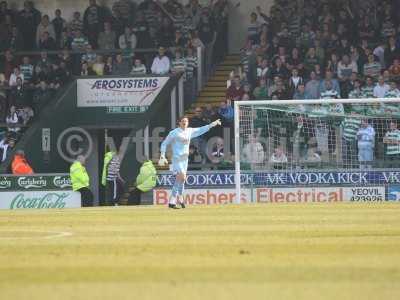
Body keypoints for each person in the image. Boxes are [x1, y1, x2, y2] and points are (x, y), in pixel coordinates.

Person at [159, 116, 221, 209]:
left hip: (185, 159)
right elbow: (164, 143)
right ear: (179, 123)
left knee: (181, 180)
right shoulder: (174, 133)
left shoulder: (189, 131)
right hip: (177, 158)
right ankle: (174, 200)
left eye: (186, 121)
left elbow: (201, 129)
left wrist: (212, 124)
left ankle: (179, 199)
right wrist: (162, 155)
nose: (185, 123)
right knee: (182, 177)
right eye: (183, 121)